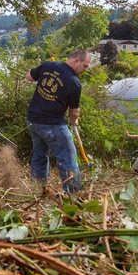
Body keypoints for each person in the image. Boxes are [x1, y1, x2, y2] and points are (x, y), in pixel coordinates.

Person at [26, 49, 92, 194]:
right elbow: (74, 112)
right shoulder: (75, 83)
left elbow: (29, 77)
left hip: (33, 121)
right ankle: (73, 194)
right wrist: (74, 122)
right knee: (67, 157)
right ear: (76, 61)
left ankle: (37, 189)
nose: (85, 70)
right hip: (52, 124)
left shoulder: (48, 65)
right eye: (85, 66)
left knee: (40, 154)